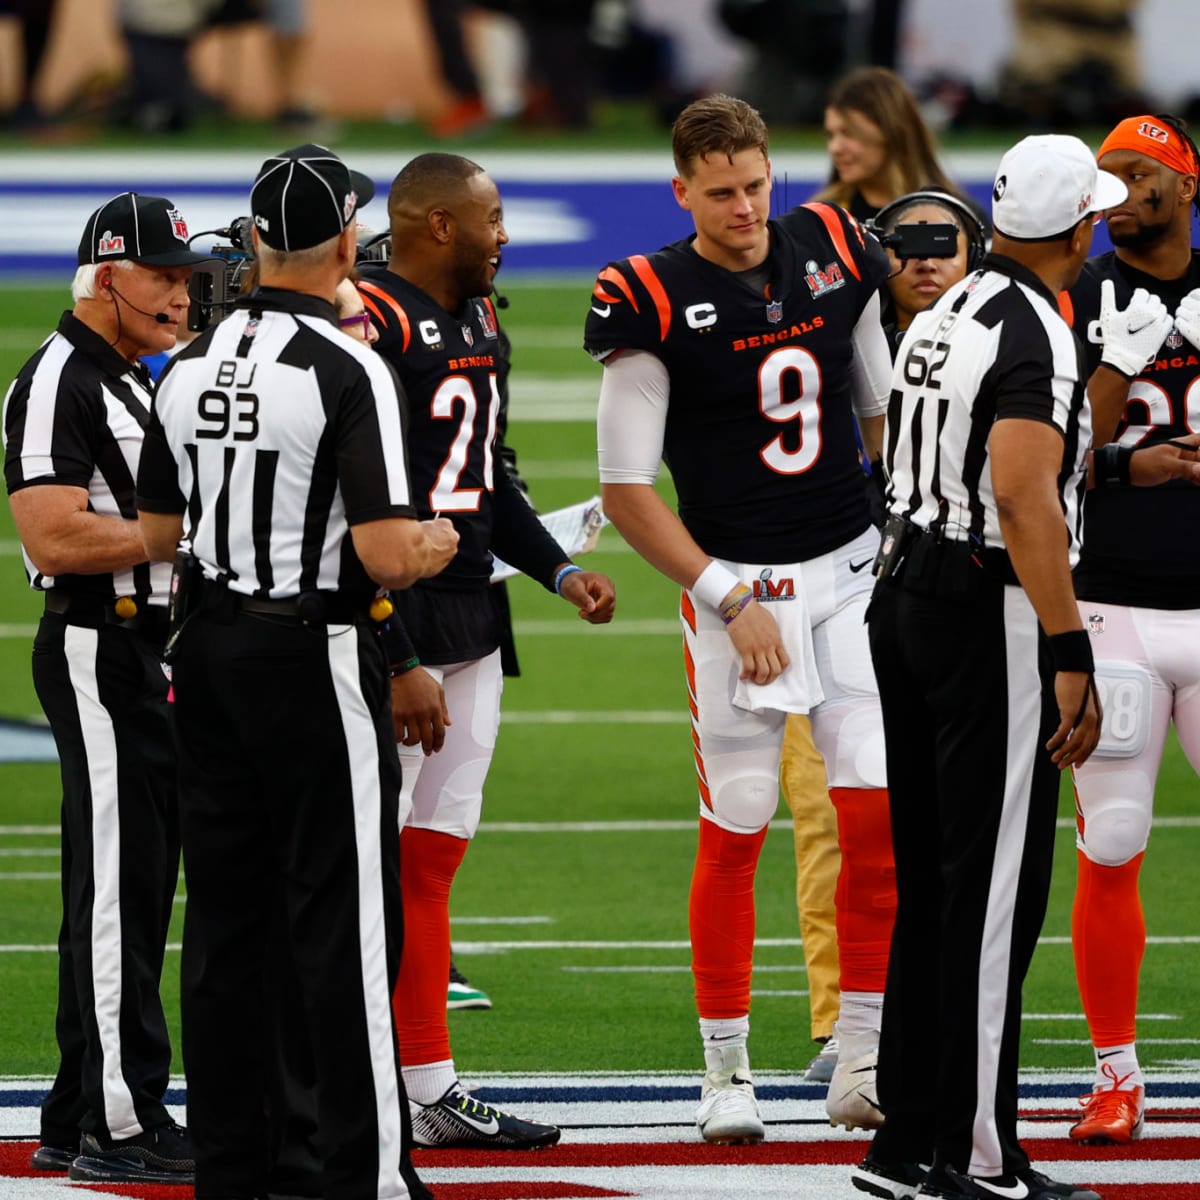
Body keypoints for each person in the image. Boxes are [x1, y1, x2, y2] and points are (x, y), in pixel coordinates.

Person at [854, 133, 1200, 1200]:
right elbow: (1022, 495)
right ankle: (977, 1154)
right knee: (994, 892)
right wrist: (1066, 647)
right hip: (980, 606)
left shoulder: (949, 305)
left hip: (903, 592)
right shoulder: (1039, 328)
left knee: (935, 886)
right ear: (1082, 228)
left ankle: (907, 1143)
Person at [136, 143, 458, 1200]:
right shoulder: (347, 365)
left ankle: (234, 1167)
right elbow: (382, 553)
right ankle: (360, 1174)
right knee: (345, 925)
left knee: (226, 925)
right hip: (307, 652)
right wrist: (440, 543)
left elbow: (157, 523)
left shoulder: (187, 359)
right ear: (348, 241)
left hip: (206, 647)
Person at [584, 93, 897, 1144]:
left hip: (850, 570)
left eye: (756, 185)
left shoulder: (834, 243)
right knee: (740, 821)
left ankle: (862, 1054)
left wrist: (896, 509)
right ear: (682, 191)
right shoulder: (650, 294)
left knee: (873, 816)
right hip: (738, 586)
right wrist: (728, 595)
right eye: (720, 193)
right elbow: (627, 489)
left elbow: (872, 394)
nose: (744, 208)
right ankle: (726, 1071)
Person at [356, 150, 616, 1150]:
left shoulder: (478, 316)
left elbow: (490, 478)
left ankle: (426, 1084)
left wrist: (555, 570)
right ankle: (351, 1078)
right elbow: (351, 502)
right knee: (365, 862)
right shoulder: (369, 326)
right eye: (492, 216)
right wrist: (395, 648)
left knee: (429, 863)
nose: (505, 232)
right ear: (436, 226)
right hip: (396, 620)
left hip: (473, 615)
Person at [2, 192, 212, 1184]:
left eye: (185, 275)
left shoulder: (127, 377)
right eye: (164, 274)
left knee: (135, 882)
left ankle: (86, 1105)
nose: (181, 292)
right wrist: (186, 539)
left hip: (144, 651)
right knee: (117, 890)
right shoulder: (58, 381)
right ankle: (114, 1124)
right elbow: (49, 533)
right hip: (98, 644)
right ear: (106, 277)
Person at [792, 70, 978, 1086]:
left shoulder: (962, 251)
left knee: (942, 802)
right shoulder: (806, 242)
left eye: (848, 129)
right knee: (827, 799)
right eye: (827, 128)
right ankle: (842, 1023)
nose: (837, 143)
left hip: (944, 556)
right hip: (836, 553)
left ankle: (939, 1003)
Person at [1061, 113, 1200, 1146]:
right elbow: (1048, 453)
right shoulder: (1073, 295)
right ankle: (1116, 1071)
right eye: (1106, 176)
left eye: (1140, 174)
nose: (1120, 192)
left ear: (1186, 184)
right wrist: (1116, 368)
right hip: (1108, 601)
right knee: (1111, 841)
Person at [814, 66, 964, 223]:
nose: (835, 148)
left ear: (891, 132)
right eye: (830, 135)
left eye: (849, 133)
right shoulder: (819, 221)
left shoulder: (957, 219)